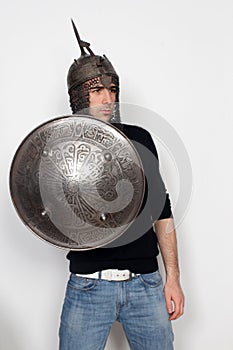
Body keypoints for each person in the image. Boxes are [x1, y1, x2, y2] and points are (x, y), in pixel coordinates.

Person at [59, 20, 184, 350]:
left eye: (112, 89)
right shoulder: (62, 145)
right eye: (97, 89)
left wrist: (173, 278)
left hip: (145, 283)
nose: (107, 97)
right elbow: (51, 213)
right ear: (79, 95)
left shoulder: (140, 138)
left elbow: (162, 210)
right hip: (88, 286)